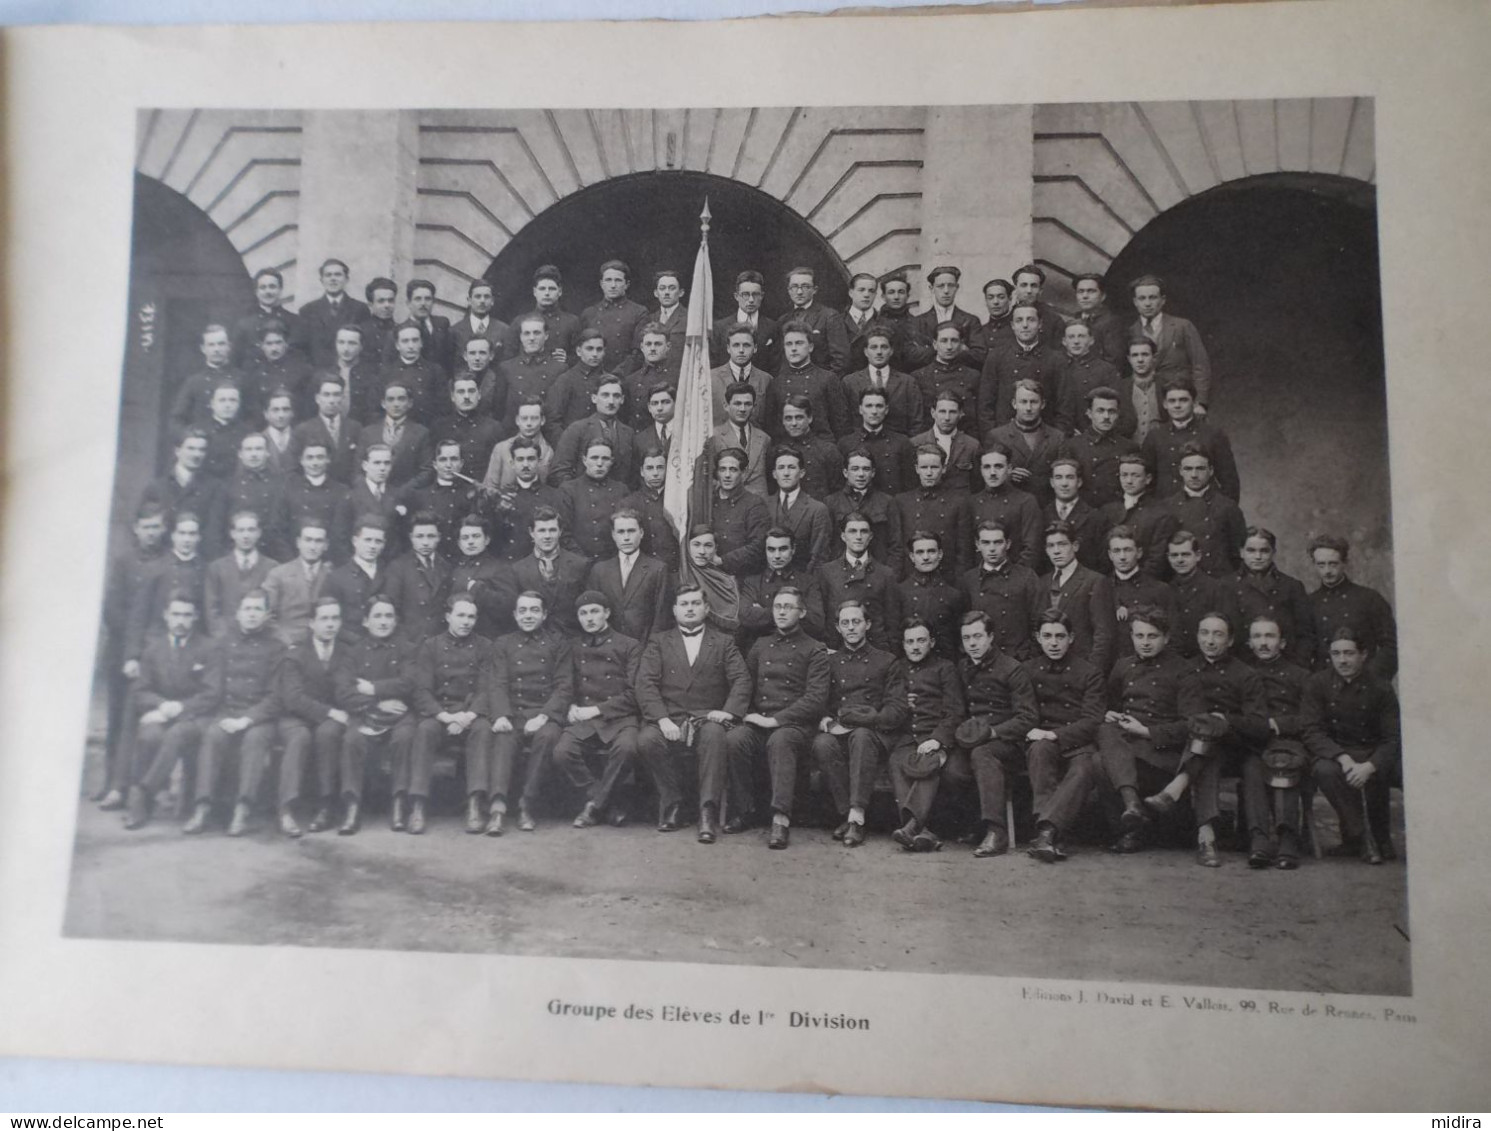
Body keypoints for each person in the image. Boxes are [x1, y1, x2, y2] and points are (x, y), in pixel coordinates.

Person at [1143, 612, 1269, 867]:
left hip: (1237, 748)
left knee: (1209, 739)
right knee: (1206, 749)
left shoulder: (1245, 674)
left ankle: (1181, 795)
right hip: (1196, 748)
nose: (1210, 641)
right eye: (1204, 633)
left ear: (1231, 640)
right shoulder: (1185, 669)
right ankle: (1206, 837)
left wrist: (1226, 720)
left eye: (1218, 634)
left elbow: (1259, 725)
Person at [634, 584, 753, 843]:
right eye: (684, 604)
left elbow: (741, 680)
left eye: (695, 603)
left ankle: (707, 811)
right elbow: (646, 683)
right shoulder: (659, 641)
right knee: (646, 740)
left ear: (706, 608)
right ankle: (674, 803)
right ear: (675, 610)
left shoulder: (723, 641)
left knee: (714, 735)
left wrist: (728, 712)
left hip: (707, 717)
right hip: (670, 716)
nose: (690, 609)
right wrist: (662, 719)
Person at [1089, 605, 1209, 859]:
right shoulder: (1122, 666)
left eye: (1152, 636)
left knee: (1101, 762)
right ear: (1131, 636)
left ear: (1166, 638)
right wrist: (1110, 713)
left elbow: (1193, 724)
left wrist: (1146, 731)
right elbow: (1110, 705)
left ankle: (1130, 827)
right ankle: (1131, 814)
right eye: (1139, 636)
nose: (1145, 643)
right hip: (1125, 747)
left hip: (1161, 753)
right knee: (1103, 730)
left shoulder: (1184, 671)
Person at [725, 587, 832, 848]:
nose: (782, 612)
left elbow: (815, 699)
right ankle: (745, 810)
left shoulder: (815, 650)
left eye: (788, 607)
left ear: (802, 612)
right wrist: (744, 714)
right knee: (734, 739)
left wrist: (776, 720)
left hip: (795, 726)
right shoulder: (760, 645)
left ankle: (780, 818)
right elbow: (746, 685)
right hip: (759, 719)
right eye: (777, 607)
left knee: (780, 740)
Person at [183, 588, 288, 837]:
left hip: (259, 716)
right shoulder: (223, 644)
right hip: (227, 711)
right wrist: (223, 716)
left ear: (267, 615)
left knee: (254, 740)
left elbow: (276, 697)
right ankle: (202, 807)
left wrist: (246, 720)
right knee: (213, 736)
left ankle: (242, 809)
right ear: (238, 614)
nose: (252, 615)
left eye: (257, 610)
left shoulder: (277, 647)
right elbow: (214, 687)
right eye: (247, 609)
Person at [812, 599, 909, 847]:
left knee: (862, 736)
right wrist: (825, 720)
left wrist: (867, 720)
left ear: (867, 624)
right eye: (845, 623)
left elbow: (897, 709)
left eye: (856, 621)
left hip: (874, 734)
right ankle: (846, 813)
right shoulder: (830, 662)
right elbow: (819, 700)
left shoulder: (887, 661)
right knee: (822, 743)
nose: (851, 628)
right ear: (838, 628)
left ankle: (857, 817)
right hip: (839, 730)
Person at [121, 591, 220, 831]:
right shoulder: (154, 649)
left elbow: (212, 693)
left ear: (195, 617)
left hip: (197, 717)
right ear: (166, 616)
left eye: (187, 615)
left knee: (176, 734)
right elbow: (140, 691)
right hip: (163, 712)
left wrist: (181, 708)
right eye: (175, 614)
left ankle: (142, 794)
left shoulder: (209, 647)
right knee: (149, 734)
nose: (180, 620)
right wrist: (160, 705)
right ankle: (144, 796)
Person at [1302, 627, 1402, 863]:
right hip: (1336, 752)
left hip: (1373, 751)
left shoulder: (1381, 687)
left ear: (1363, 654)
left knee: (1399, 772)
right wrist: (1342, 758)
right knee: (1324, 770)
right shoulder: (1317, 683)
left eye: (1349, 653)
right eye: (1336, 654)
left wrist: (1371, 765)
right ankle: (1363, 838)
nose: (1342, 660)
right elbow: (1312, 731)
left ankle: (1381, 838)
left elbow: (1393, 738)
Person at [97, 505, 170, 808]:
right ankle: (111, 782)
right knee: (117, 718)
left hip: (153, 654)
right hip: (121, 652)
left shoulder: (167, 563)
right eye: (147, 527)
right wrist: (132, 645)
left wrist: (146, 650)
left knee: (147, 718)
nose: (152, 533)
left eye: (157, 527)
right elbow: (111, 607)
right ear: (136, 529)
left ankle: (146, 784)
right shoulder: (123, 560)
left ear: (164, 529)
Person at [406, 593, 496, 835]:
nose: (466, 621)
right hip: (440, 714)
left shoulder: (486, 647)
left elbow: (487, 688)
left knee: (483, 730)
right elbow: (422, 690)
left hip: (470, 715)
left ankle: (475, 804)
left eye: (471, 616)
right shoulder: (430, 646)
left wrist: (468, 716)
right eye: (461, 615)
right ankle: (418, 805)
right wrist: (445, 717)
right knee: (424, 730)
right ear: (448, 617)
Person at [953, 610, 1040, 858]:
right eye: (967, 638)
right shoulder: (962, 667)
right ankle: (976, 823)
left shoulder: (1012, 669)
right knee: (953, 771)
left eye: (978, 636)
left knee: (982, 754)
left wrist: (993, 732)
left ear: (991, 637)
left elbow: (1028, 717)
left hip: (1007, 743)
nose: (972, 643)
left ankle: (996, 831)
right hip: (972, 738)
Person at [485, 590, 573, 833]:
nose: (528, 615)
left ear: (544, 615)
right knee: (503, 737)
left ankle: (527, 803)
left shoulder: (558, 643)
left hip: (545, 713)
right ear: (514, 615)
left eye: (534, 610)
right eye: (522, 610)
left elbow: (564, 687)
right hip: (514, 711)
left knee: (547, 737)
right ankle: (498, 806)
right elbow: (497, 683)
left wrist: (544, 716)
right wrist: (501, 714)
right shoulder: (503, 644)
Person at [1023, 609, 1105, 863]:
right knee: (1039, 751)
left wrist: (1056, 734)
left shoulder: (1089, 672)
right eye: (1047, 636)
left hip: (1077, 741)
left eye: (1060, 636)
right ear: (1038, 637)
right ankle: (1050, 835)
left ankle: (1046, 832)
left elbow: (1092, 720)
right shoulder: (1027, 670)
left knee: (1084, 769)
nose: (1054, 643)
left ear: (1071, 637)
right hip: (1042, 738)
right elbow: (1021, 712)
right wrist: (1034, 732)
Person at [554, 591, 642, 829]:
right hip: (583, 717)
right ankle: (606, 800)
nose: (589, 618)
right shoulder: (572, 646)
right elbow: (565, 684)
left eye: (594, 611)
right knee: (562, 752)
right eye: (583, 613)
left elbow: (635, 694)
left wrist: (596, 710)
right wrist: (571, 705)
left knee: (627, 749)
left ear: (607, 613)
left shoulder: (629, 645)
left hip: (620, 717)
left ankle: (594, 807)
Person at [332, 595, 417, 835]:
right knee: (352, 740)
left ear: (396, 621)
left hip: (400, 714)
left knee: (404, 738)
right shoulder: (354, 652)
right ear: (366, 621)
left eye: (388, 616)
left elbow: (409, 683)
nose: (383, 621)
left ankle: (399, 803)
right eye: (377, 616)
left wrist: (372, 688)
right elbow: (343, 692)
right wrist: (378, 703)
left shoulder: (407, 649)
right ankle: (352, 805)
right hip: (365, 712)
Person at [1239, 615, 1314, 869]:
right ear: (1249, 642)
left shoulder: (1301, 676)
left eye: (1269, 636)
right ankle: (1259, 839)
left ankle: (1287, 838)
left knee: (1282, 761)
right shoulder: (1243, 673)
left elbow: (1311, 719)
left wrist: (1276, 724)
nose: (1263, 643)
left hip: (1290, 742)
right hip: (1255, 743)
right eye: (1257, 637)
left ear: (1282, 643)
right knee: (1251, 767)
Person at [887, 617, 965, 852]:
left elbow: (955, 711)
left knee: (929, 762)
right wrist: (901, 705)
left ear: (931, 642)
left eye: (921, 640)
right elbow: (888, 704)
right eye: (910, 641)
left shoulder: (945, 668)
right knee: (896, 761)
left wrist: (937, 739)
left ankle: (912, 827)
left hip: (934, 735)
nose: (915, 646)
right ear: (903, 644)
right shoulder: (897, 667)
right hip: (906, 736)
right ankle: (923, 832)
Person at [275, 596, 350, 837]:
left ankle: (326, 805)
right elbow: (293, 698)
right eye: (324, 619)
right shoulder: (296, 653)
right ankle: (286, 808)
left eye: (335, 618)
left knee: (328, 734)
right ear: (311, 623)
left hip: (332, 717)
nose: (330, 624)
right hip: (296, 716)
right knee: (299, 738)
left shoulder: (347, 650)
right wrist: (329, 711)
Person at [1305, 534, 1398, 680]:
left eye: (1333, 564)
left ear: (1345, 562)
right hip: (1324, 688)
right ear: (1314, 564)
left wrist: (1370, 677)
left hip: (1363, 686)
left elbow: (1391, 647)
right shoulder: (1308, 603)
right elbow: (1303, 649)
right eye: (1321, 564)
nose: (1327, 571)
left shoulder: (1369, 599)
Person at [125, 511, 209, 672]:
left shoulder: (206, 570)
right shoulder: (155, 567)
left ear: (199, 537)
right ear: (173, 536)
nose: (187, 539)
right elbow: (138, 615)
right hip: (156, 644)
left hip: (192, 647)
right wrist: (133, 656)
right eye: (182, 533)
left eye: (192, 534)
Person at [494, 505, 590, 636]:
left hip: (570, 640)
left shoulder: (580, 564)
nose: (547, 536)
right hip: (534, 643)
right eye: (542, 530)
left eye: (552, 530)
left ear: (560, 531)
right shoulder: (518, 570)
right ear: (531, 532)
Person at [583, 509, 671, 645]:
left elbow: (661, 617)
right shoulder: (600, 570)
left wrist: (651, 650)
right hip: (608, 649)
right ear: (613, 535)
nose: (626, 537)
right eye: (621, 532)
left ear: (641, 533)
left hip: (643, 647)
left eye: (631, 531)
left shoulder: (657, 569)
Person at [1142, 381, 1240, 503]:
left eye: (1183, 400)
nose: (1177, 405)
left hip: (1204, 509)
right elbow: (1146, 480)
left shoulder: (1213, 434)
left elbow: (1230, 482)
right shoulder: (1155, 436)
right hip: (1164, 510)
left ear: (1194, 403)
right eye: (1172, 401)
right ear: (1165, 404)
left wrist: (1222, 513)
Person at [1230, 527, 1316, 666]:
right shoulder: (1225, 586)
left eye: (1264, 551)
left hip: (1283, 667)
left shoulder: (1292, 587)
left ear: (1273, 553)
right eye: (1251, 550)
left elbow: (1305, 634)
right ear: (1241, 552)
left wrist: (1297, 665)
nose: (1258, 557)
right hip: (1241, 668)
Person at [960, 520, 1043, 661]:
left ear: (1008, 544)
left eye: (998, 542)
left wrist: (1030, 656)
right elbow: (961, 624)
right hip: (981, 661)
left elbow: (1039, 621)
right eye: (986, 543)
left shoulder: (1026, 577)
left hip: (1019, 660)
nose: (992, 549)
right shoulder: (968, 580)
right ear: (977, 545)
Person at [819, 512, 903, 652]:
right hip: (837, 651)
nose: (858, 537)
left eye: (863, 531)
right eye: (852, 531)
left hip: (875, 651)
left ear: (870, 536)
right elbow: (822, 618)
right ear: (843, 536)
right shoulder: (827, 572)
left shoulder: (885, 574)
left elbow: (893, 623)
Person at [1129, 274, 1213, 411]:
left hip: (1180, 399)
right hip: (1146, 403)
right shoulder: (1131, 332)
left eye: (1153, 297)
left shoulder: (1182, 326)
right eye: (1142, 298)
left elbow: (1200, 365)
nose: (1147, 303)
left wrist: (1200, 402)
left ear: (1162, 300)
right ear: (1135, 302)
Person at [140, 428, 227, 556]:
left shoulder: (215, 488)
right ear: (178, 451)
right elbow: (145, 527)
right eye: (191, 448)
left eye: (201, 450)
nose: (196, 454)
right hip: (161, 558)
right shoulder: (156, 487)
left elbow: (213, 533)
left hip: (197, 561)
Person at [1044, 520, 1116, 673]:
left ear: (1075, 546)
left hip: (1081, 670)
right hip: (1048, 672)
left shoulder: (1094, 581)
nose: (1056, 551)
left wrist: (1092, 673)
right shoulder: (1041, 582)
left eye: (1062, 544)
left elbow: (1103, 635)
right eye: (1051, 546)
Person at [979, 304, 1064, 430]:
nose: (1025, 325)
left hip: (1045, 438)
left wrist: (1056, 440)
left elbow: (1064, 407)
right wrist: (993, 440)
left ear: (1040, 324)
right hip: (1004, 437)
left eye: (1031, 320)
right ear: (1012, 326)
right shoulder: (996, 356)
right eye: (1019, 320)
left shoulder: (1055, 359)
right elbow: (985, 405)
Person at [896, 444, 973, 582]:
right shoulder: (902, 501)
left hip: (946, 579)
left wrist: (960, 583)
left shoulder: (958, 502)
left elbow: (964, 551)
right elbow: (897, 549)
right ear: (916, 469)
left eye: (934, 467)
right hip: (911, 579)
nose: (929, 473)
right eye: (924, 467)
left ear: (943, 469)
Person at [984, 379, 1065, 510]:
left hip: (1045, 508)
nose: (1028, 408)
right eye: (1023, 402)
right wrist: (1007, 476)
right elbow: (985, 478)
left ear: (1042, 404)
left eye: (1033, 402)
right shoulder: (997, 436)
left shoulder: (1057, 437)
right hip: (1007, 508)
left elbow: (1063, 477)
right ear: (1014, 404)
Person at [738, 528, 828, 647]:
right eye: (771, 550)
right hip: (762, 650)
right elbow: (746, 617)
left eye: (783, 549)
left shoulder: (808, 582)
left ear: (793, 549)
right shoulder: (752, 582)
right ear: (765, 551)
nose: (777, 556)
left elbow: (816, 623)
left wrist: (762, 611)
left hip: (798, 649)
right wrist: (794, 612)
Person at [824, 449, 905, 577]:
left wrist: (890, 577)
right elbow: (826, 545)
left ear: (873, 473)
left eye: (866, 469)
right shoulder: (831, 502)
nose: (861, 474)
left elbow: (896, 546)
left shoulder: (887, 502)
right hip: (840, 576)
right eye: (855, 469)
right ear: (845, 472)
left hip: (877, 575)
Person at [1060, 387, 1140, 511]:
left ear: (1118, 414)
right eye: (1100, 411)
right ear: (1089, 413)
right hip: (1083, 514)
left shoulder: (1129, 447)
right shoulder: (1072, 446)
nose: (1106, 416)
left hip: (1118, 514)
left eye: (1111, 411)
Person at [763, 321, 846, 440]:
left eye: (799, 343)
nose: (793, 349)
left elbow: (841, 424)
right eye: (789, 344)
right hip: (787, 450)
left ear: (810, 347)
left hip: (821, 448)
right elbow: (771, 427)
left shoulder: (828, 379)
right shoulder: (776, 383)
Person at [1165, 530, 1240, 658]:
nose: (1180, 560)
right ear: (1168, 557)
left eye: (1185, 554)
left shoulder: (1216, 589)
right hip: (1174, 662)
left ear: (1198, 556)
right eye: (1174, 555)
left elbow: (1228, 631)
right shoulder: (1166, 590)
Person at [551, 374, 636, 487]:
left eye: (616, 396)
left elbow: (632, 476)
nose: (611, 401)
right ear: (594, 398)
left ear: (622, 400)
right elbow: (560, 470)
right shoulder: (577, 429)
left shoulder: (628, 433)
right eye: (605, 395)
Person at [1101, 453, 1177, 578]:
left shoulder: (1161, 514)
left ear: (1147, 479)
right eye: (1124, 475)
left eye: (1135, 475)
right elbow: (1102, 555)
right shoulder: (1107, 510)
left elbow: (1157, 560)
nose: (1129, 481)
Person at [204, 509, 278, 637]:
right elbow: (211, 610)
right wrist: (223, 636)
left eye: (251, 530)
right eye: (241, 530)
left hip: (261, 639)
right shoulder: (217, 568)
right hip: (227, 640)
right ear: (233, 533)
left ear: (259, 533)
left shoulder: (272, 567)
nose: (246, 536)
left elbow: (273, 611)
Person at [275, 441, 352, 561]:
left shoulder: (341, 491)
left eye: (320, 457)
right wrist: (290, 561)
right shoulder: (289, 489)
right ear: (301, 461)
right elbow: (279, 530)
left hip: (330, 562)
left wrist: (333, 562)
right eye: (309, 458)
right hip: (293, 560)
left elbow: (342, 534)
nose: (315, 463)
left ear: (328, 460)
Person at [969, 443, 1042, 570]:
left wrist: (1014, 578)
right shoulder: (972, 502)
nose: (992, 473)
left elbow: (1032, 548)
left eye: (998, 466)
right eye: (987, 467)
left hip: (1014, 577)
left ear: (1009, 469)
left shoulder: (1026, 501)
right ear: (981, 470)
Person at [555, 439, 630, 562]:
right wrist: (583, 560)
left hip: (612, 564)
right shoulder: (568, 490)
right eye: (594, 458)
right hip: (579, 563)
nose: (599, 463)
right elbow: (563, 533)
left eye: (605, 458)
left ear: (611, 461)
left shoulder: (621, 490)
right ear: (584, 460)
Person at [383, 512, 453, 642]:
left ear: (439, 537)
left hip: (439, 644)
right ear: (411, 538)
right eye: (419, 536)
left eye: (431, 536)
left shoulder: (446, 567)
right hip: (409, 643)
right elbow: (392, 612)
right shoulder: (398, 567)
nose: (425, 542)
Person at [842, 326, 923, 438]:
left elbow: (916, 422)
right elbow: (844, 421)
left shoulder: (907, 382)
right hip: (861, 447)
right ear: (866, 351)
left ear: (891, 351)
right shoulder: (850, 382)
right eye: (874, 347)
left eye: (884, 347)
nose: (879, 352)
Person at [262, 521, 332, 646]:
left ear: (326, 545)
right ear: (298, 542)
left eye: (318, 541)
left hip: (322, 647)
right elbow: (266, 616)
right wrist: (287, 642)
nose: (312, 546)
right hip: (285, 645)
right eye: (308, 540)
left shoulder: (332, 576)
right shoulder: (278, 574)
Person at [1101, 524, 1176, 640]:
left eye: (1128, 550)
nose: (1122, 557)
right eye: (1117, 551)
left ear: (1139, 553)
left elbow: (1172, 635)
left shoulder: (1160, 590)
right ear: (1110, 555)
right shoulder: (1101, 587)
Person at [322, 516, 389, 644]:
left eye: (378, 541)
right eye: (367, 540)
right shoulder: (336, 578)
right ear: (355, 541)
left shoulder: (389, 574)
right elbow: (328, 620)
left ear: (384, 544)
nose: (372, 546)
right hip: (349, 648)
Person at [497, 315, 566, 437]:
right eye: (527, 333)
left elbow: (558, 412)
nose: (532, 338)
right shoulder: (507, 368)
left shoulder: (559, 369)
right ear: (520, 337)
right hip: (512, 435)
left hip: (546, 435)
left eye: (537, 333)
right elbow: (499, 408)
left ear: (546, 335)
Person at [838, 387, 915, 497]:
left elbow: (910, 486)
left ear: (886, 409)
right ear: (860, 409)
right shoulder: (846, 443)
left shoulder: (901, 443)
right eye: (869, 406)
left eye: (879, 406)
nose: (874, 411)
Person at [766, 448, 833, 570]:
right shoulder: (763, 505)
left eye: (791, 467)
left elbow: (819, 556)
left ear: (802, 473)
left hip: (802, 581)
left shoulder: (817, 509)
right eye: (781, 468)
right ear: (774, 474)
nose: (786, 473)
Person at [299, 258, 371, 370]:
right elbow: (302, 348)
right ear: (321, 280)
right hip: (318, 373)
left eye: (338, 275)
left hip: (350, 371)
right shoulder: (307, 310)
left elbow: (365, 346)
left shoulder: (360, 309)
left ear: (346, 279)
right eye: (328, 275)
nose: (333, 279)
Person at [912, 325, 983, 440]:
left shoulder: (973, 376)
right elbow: (916, 420)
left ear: (961, 344)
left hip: (965, 441)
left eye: (954, 341)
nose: (949, 347)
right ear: (935, 344)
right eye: (944, 341)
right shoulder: (919, 376)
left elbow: (980, 417)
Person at [708, 448, 770, 577]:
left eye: (733, 469)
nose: (727, 475)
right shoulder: (708, 501)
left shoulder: (754, 504)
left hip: (742, 576)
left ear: (743, 472)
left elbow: (758, 545)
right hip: (710, 574)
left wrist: (722, 560)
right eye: (722, 469)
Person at [225, 433, 288, 559]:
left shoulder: (282, 483)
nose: (254, 454)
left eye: (259, 449)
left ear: (267, 453)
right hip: (239, 553)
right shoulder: (229, 485)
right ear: (240, 454)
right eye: (248, 449)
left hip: (274, 553)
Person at [910, 266, 985, 368]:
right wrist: (958, 348)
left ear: (957, 287)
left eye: (950, 285)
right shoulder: (918, 322)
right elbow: (913, 356)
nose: (946, 291)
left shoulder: (971, 320)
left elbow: (979, 355)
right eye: (940, 286)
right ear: (931, 289)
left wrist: (932, 349)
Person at [1044, 457, 1110, 572]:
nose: (1064, 484)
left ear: (1079, 482)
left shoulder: (1096, 517)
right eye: (1059, 477)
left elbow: (1103, 562)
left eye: (1070, 477)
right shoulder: (1041, 515)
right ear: (1052, 482)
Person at [769, 395, 843, 499]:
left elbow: (838, 493)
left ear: (809, 418)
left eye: (799, 417)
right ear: (783, 421)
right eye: (788, 418)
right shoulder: (776, 452)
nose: (794, 423)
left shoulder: (828, 450)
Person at [581, 259, 649, 372]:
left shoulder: (639, 312)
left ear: (626, 284)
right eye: (608, 280)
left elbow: (639, 353)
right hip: (594, 375)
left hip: (624, 376)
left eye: (618, 280)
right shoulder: (589, 314)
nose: (613, 285)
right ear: (602, 284)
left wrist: (617, 374)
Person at [432, 373, 503, 480]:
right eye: (461, 392)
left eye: (471, 391)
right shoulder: (439, 427)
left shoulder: (493, 428)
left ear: (479, 395)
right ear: (452, 397)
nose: (466, 397)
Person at [545, 327, 613, 436]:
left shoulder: (609, 381)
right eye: (589, 349)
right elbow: (552, 421)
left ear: (604, 351)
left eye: (599, 349)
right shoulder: (565, 380)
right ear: (578, 351)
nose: (595, 354)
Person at [620, 449, 679, 574]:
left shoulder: (678, 500)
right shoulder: (629, 503)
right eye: (650, 468)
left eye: (660, 467)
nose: (655, 473)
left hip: (675, 571)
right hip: (644, 573)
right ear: (642, 471)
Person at [782, 266, 851, 374]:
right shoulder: (783, 320)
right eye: (794, 287)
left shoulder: (829, 316)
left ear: (814, 290)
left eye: (805, 287)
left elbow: (841, 360)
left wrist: (824, 383)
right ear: (789, 290)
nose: (799, 292)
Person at [911, 389, 980, 496]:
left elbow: (977, 485)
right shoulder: (916, 443)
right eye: (942, 412)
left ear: (961, 413)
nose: (947, 418)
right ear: (933, 413)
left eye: (952, 412)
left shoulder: (972, 446)